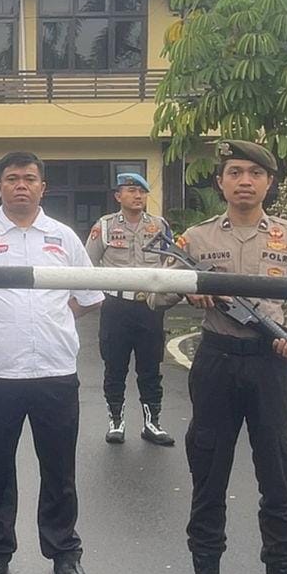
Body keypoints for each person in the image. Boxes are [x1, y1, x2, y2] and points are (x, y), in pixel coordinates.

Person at [159, 140, 287, 574]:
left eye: (254, 173)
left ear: (269, 182)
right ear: (221, 182)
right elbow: (154, 292)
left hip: (272, 365)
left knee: (280, 478)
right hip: (217, 362)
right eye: (234, 172)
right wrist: (189, 288)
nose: (244, 181)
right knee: (208, 472)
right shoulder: (195, 238)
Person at [0, 151, 103, 574]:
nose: (21, 185)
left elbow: (88, 298)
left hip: (55, 370)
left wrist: (52, 319)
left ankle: (64, 552)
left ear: (42, 187)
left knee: (59, 468)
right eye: (12, 178)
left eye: (29, 179)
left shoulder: (64, 238)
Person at [85, 172, 174, 446]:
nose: (138, 196)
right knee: (115, 367)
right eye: (131, 191)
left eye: (142, 192)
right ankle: (116, 422)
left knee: (151, 367)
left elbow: (172, 261)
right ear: (118, 196)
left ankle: (152, 423)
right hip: (116, 307)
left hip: (149, 306)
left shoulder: (159, 225)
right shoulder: (105, 226)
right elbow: (88, 264)